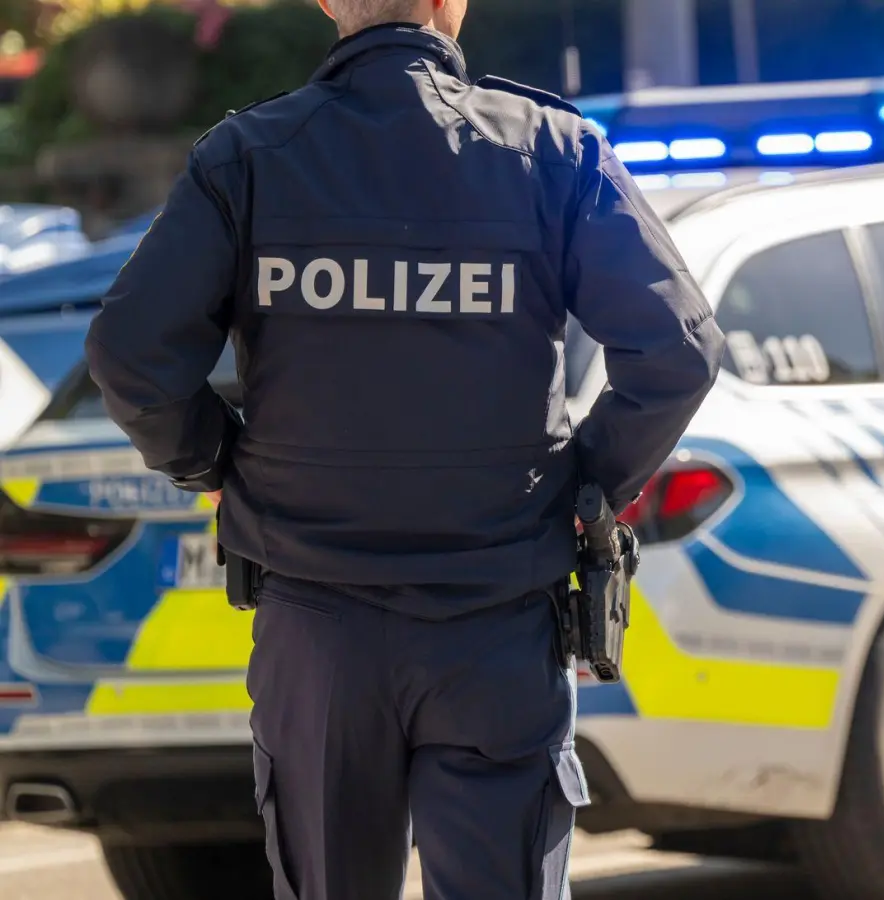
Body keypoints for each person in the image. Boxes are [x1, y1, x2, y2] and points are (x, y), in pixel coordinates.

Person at [81, 0, 724, 897]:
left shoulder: (251, 158)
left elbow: (129, 357)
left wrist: (219, 468)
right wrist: (582, 487)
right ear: (448, 3)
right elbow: (677, 352)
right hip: (496, 621)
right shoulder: (550, 153)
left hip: (318, 627)